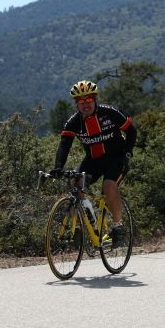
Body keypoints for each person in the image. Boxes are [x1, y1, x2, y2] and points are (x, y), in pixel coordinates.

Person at [51, 80, 137, 244]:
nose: (85, 104)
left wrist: (127, 153)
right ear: (77, 104)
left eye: (89, 100)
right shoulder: (74, 122)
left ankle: (118, 227)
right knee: (76, 184)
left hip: (116, 159)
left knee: (109, 186)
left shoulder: (110, 113)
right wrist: (58, 167)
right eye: (81, 101)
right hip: (93, 161)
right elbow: (64, 146)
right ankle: (82, 225)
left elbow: (131, 131)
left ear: (95, 99)